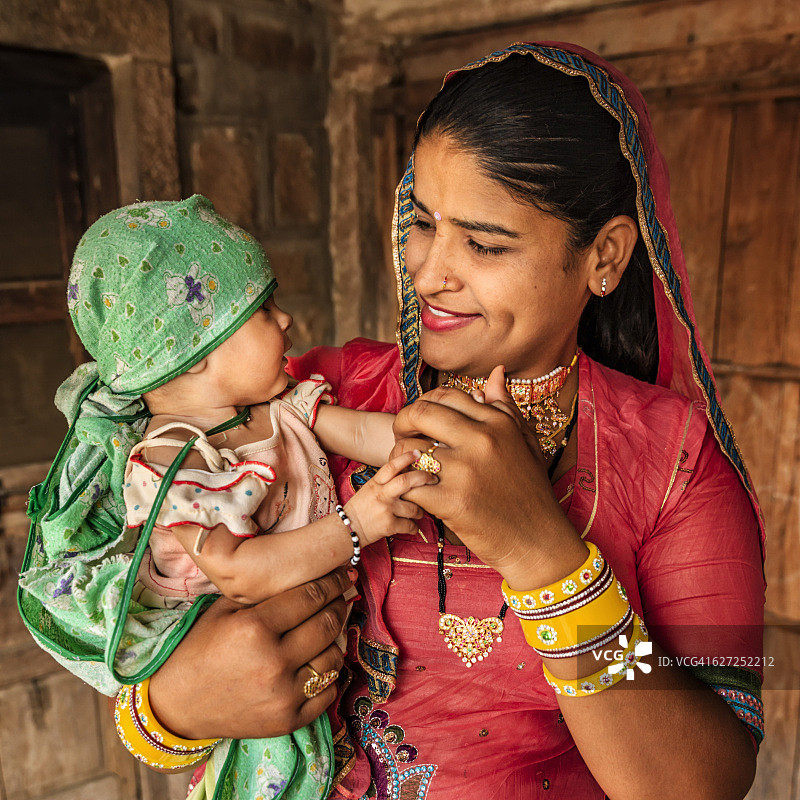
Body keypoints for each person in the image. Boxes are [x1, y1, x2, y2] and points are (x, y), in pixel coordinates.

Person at [25, 42, 766, 799]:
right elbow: (145, 593)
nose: (428, 270)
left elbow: (705, 780)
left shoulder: (674, 462)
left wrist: (543, 553)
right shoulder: (315, 397)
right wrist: (171, 708)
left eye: (481, 241)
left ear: (603, 255)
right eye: (422, 222)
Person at [18, 194, 436, 799]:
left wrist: (428, 438)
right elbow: (241, 574)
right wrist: (359, 524)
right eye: (264, 310)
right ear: (194, 356)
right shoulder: (171, 464)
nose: (287, 320)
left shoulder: (283, 406)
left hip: (312, 639)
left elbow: (372, 432)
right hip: (244, 650)